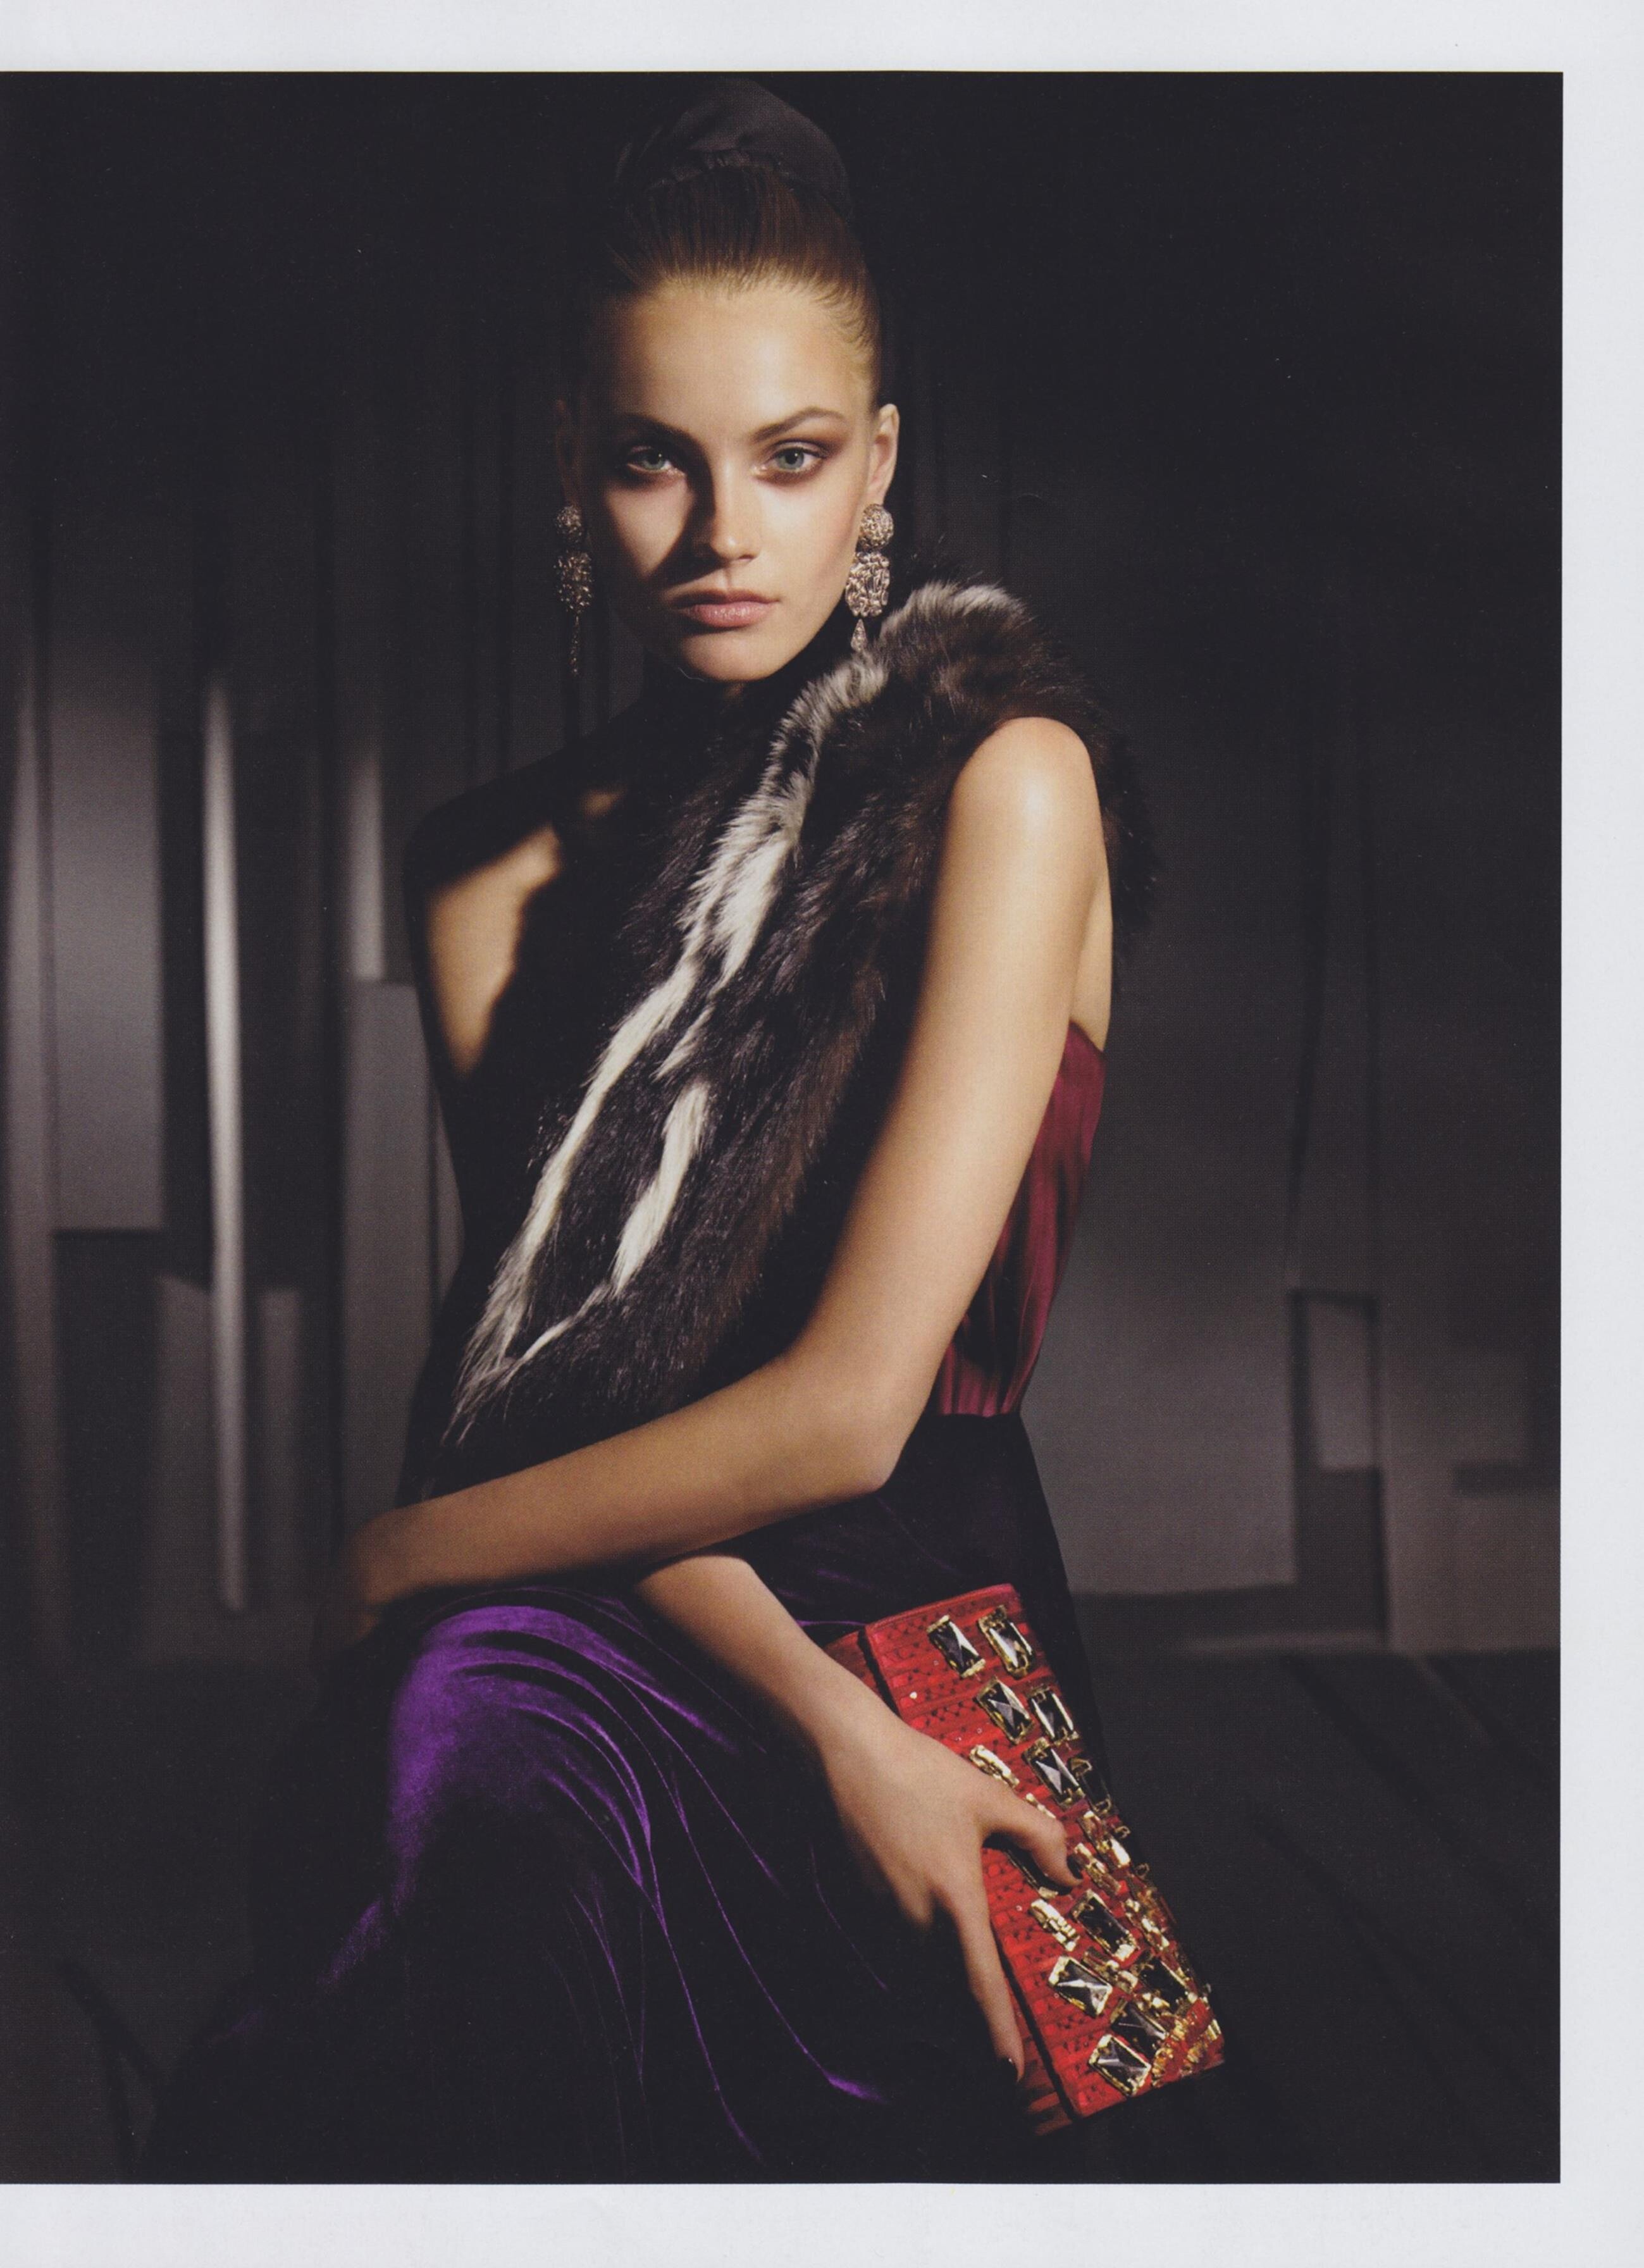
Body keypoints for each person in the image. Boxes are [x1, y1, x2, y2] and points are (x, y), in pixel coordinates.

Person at [138, 80, 1157, 2183]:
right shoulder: (487, 873)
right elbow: (552, 1402)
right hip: (616, 1575)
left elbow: (852, 1415)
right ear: (569, 467)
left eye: (791, 457)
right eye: (650, 459)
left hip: (918, 1599)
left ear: (881, 466)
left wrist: (399, 1552)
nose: (721, 533)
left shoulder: (1002, 783)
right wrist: (743, 1684)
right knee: (461, 1763)